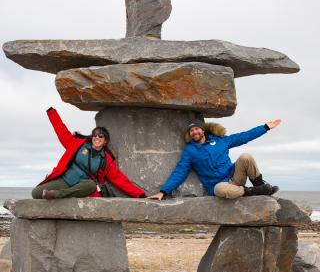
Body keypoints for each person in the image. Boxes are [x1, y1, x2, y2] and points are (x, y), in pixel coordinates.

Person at [148, 118, 281, 200]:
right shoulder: (190, 151)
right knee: (220, 190)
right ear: (189, 135)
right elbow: (180, 171)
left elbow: (243, 137)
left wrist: (265, 128)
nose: (194, 132)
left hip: (234, 177)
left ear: (203, 130)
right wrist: (163, 192)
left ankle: (261, 187)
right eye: (191, 131)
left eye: (196, 129)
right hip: (218, 185)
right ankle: (252, 192)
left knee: (246, 157)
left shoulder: (220, 141)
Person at [32, 107, 146, 199]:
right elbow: (62, 132)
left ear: (105, 141)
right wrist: (52, 113)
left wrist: (140, 195)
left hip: (82, 184)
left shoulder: (106, 159)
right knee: (36, 193)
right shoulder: (77, 144)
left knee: (91, 185)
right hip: (65, 179)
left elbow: (120, 180)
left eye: (100, 135)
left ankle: (56, 195)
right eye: (94, 135)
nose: (97, 137)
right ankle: (63, 194)